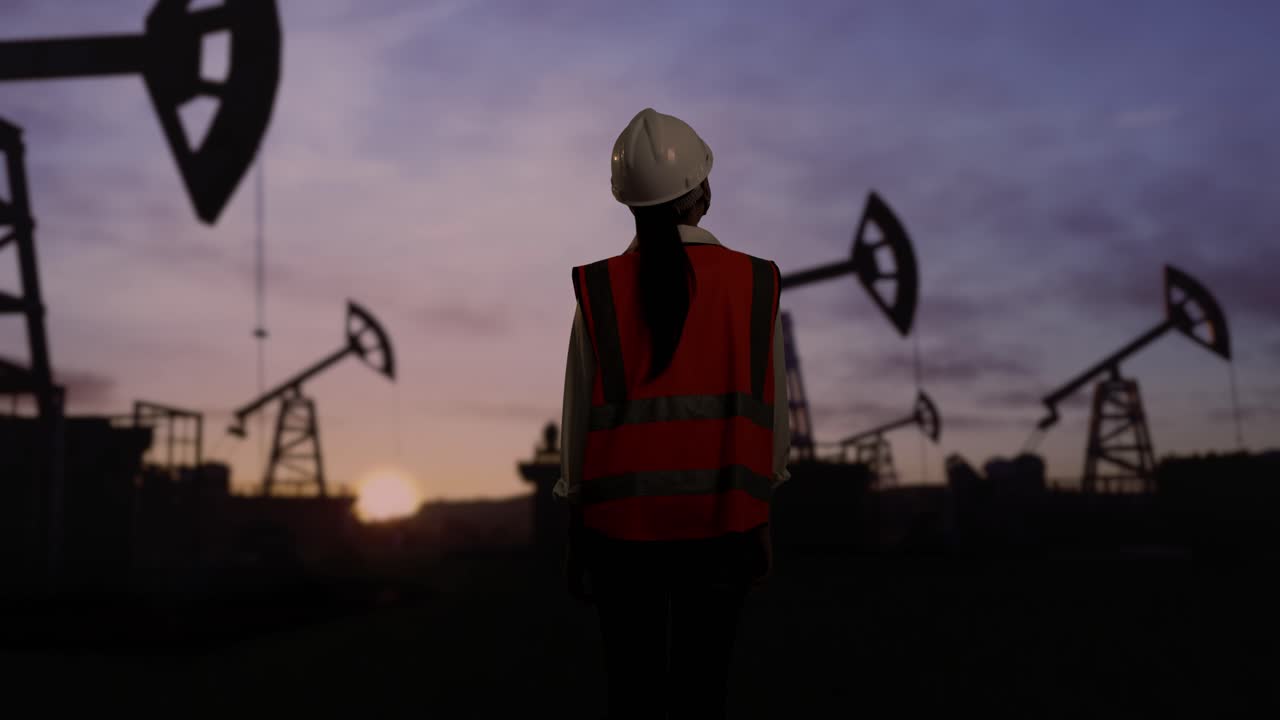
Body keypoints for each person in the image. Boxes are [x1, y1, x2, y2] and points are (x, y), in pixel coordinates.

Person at [554, 108, 791, 720]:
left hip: (618, 534)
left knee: (630, 694)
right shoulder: (756, 284)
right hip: (724, 523)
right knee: (702, 691)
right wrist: (760, 520)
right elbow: (771, 419)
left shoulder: (600, 290)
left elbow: (579, 421)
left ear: (629, 205)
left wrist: (578, 535)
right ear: (702, 192)